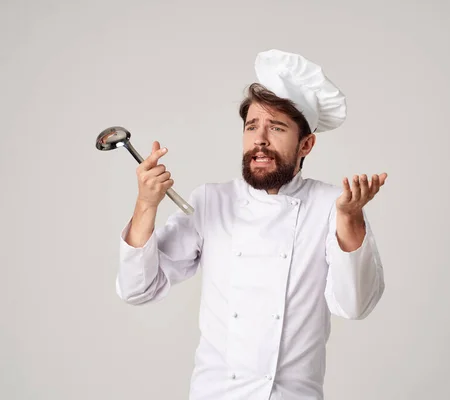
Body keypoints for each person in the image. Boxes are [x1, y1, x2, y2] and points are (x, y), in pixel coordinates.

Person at [116, 49, 387, 400]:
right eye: (251, 127)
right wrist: (145, 205)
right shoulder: (210, 201)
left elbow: (356, 306)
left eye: (276, 128)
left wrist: (350, 222)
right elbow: (137, 289)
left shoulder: (334, 205)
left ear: (306, 144)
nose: (260, 139)